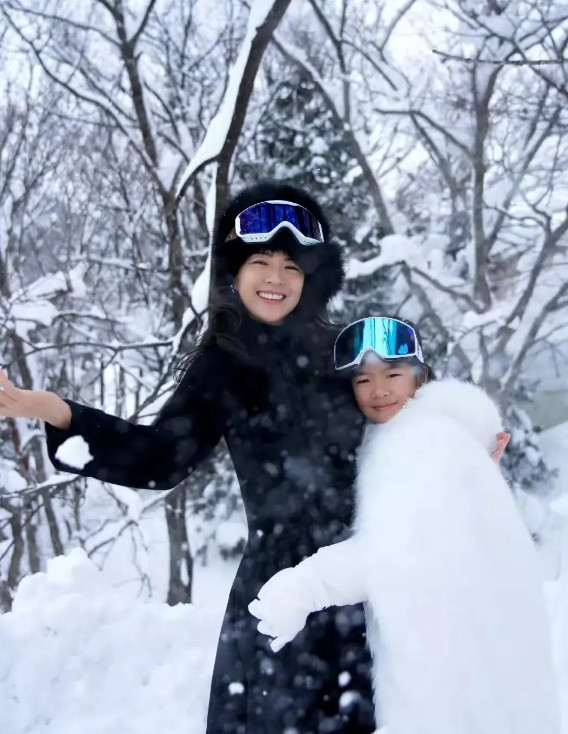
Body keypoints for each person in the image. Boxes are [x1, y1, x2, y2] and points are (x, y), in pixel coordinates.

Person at [0, 183, 375, 733]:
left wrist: (455, 448)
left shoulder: (347, 351)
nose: (275, 278)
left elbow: (396, 421)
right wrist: (57, 411)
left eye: (291, 265)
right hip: (278, 590)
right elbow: (159, 459)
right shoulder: (226, 362)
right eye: (260, 261)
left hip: (363, 580)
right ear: (234, 271)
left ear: (312, 277)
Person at [249, 316, 559, 734]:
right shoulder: (429, 435)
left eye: (393, 374)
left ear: (421, 377)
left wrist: (305, 586)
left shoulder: (415, 441)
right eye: (362, 380)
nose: (378, 391)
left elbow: (389, 553)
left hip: (441, 675)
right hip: (474, 667)